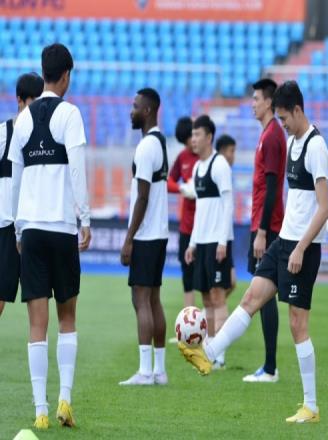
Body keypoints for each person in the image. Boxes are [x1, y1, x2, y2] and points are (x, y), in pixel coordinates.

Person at [179, 81, 328, 424]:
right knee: (250, 298)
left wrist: (301, 248)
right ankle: (209, 353)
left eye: (284, 117)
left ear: (297, 110)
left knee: (297, 324)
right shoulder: (292, 142)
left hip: (303, 247)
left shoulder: (316, 146)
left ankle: (311, 406)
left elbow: (324, 208)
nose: (282, 124)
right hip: (284, 241)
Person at [9, 43, 91, 429]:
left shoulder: (23, 120)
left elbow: (15, 178)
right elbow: (77, 168)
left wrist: (17, 226)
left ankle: (40, 409)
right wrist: (85, 218)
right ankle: (65, 401)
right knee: (67, 317)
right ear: (66, 75)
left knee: (36, 324)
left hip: (32, 230)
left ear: (43, 73)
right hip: (61, 228)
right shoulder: (70, 114)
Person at [119, 88, 169, 386]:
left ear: (148, 111)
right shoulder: (160, 142)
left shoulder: (146, 147)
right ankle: (159, 371)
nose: (131, 110)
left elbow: (142, 197)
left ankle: (145, 371)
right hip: (159, 233)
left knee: (141, 300)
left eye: (136, 106)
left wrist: (129, 238)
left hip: (146, 235)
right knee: (154, 299)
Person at [242, 78, 286, 383]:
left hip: (267, 227)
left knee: (264, 294)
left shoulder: (271, 137)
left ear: (269, 102)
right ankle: (269, 366)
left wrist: (261, 231)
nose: (252, 104)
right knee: (264, 294)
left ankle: (270, 368)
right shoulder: (268, 134)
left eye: (256, 99)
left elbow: (272, 189)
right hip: (264, 223)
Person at [185, 115, 234, 370]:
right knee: (205, 298)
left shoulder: (219, 164)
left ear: (209, 137)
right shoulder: (197, 168)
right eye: (192, 135)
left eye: (197, 135)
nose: (193, 139)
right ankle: (210, 348)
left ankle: (220, 354)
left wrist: (223, 241)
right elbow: (199, 210)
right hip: (202, 241)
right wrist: (192, 243)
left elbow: (228, 204)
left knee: (218, 297)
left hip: (217, 241)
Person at [0, 72, 43, 317]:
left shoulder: (43, 138)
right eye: (32, 103)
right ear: (19, 100)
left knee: (37, 297)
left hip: (33, 225)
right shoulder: (4, 133)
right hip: (6, 227)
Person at [167, 117, 198, 311]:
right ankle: (190, 319)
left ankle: (209, 316)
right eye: (186, 142)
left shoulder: (208, 157)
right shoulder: (182, 157)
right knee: (187, 275)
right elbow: (168, 181)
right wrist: (182, 188)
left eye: (191, 139)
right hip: (187, 227)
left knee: (212, 280)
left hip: (206, 228)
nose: (190, 144)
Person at [215, 133, 237, 297]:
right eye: (231, 151)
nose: (233, 155)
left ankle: (207, 311)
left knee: (231, 283)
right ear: (222, 151)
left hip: (226, 236)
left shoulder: (225, 170)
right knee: (222, 286)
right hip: (220, 237)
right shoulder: (220, 168)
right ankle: (211, 311)